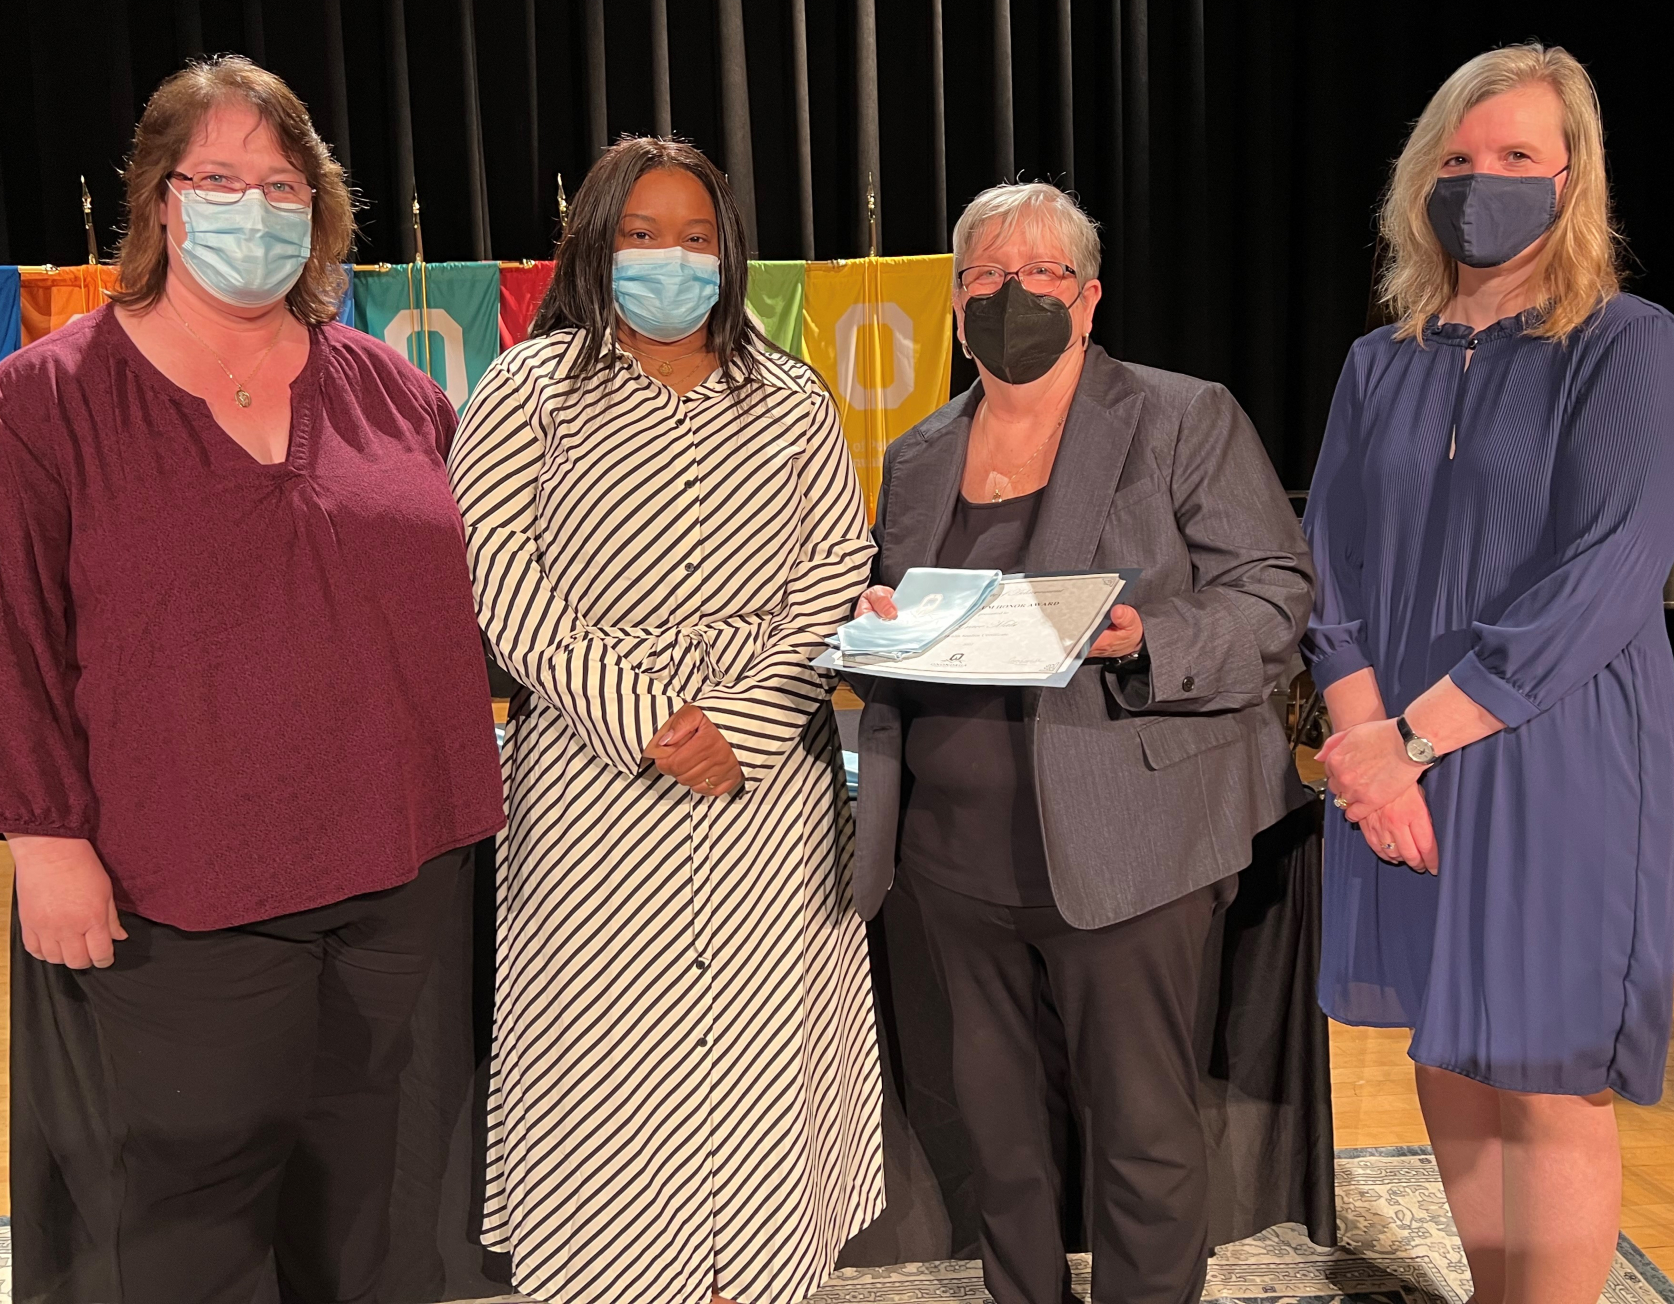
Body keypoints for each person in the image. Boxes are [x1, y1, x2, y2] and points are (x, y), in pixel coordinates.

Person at [0, 56, 505, 1304]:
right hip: (179, 899)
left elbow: (493, 587)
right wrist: (42, 833)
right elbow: (12, 631)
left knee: (375, 1222)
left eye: (282, 185)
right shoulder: (46, 401)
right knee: (179, 1236)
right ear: (160, 203)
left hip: (399, 881)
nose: (252, 210)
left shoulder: (391, 387)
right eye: (218, 179)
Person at [849, 181, 1314, 1304]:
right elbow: (902, 619)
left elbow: (1276, 593)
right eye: (985, 278)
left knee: (1144, 1142)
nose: (1011, 295)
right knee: (1001, 1149)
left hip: (1134, 853)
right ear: (957, 307)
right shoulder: (917, 455)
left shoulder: (1181, 416)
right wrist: (870, 628)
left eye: (1038, 275)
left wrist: (1148, 633)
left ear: (1090, 297)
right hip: (952, 865)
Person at [447, 137, 884, 1304]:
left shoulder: (790, 395)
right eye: (643, 233)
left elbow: (835, 567)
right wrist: (647, 717)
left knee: (757, 1063)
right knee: (606, 1064)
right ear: (597, 242)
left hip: (767, 788)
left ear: (728, 250)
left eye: (696, 236)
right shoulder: (525, 388)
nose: (671, 258)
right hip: (595, 789)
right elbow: (500, 577)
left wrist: (741, 716)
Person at [1304, 43, 1674, 1304]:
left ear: (1574, 181)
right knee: (1447, 1043)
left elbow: (1611, 569)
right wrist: (1367, 745)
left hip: (1551, 751)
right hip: (1390, 766)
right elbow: (1330, 570)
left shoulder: (1626, 343)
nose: (1483, 180)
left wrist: (1407, 739)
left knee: (1541, 1066)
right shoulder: (1379, 363)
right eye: (1458, 160)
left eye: (1517, 157)